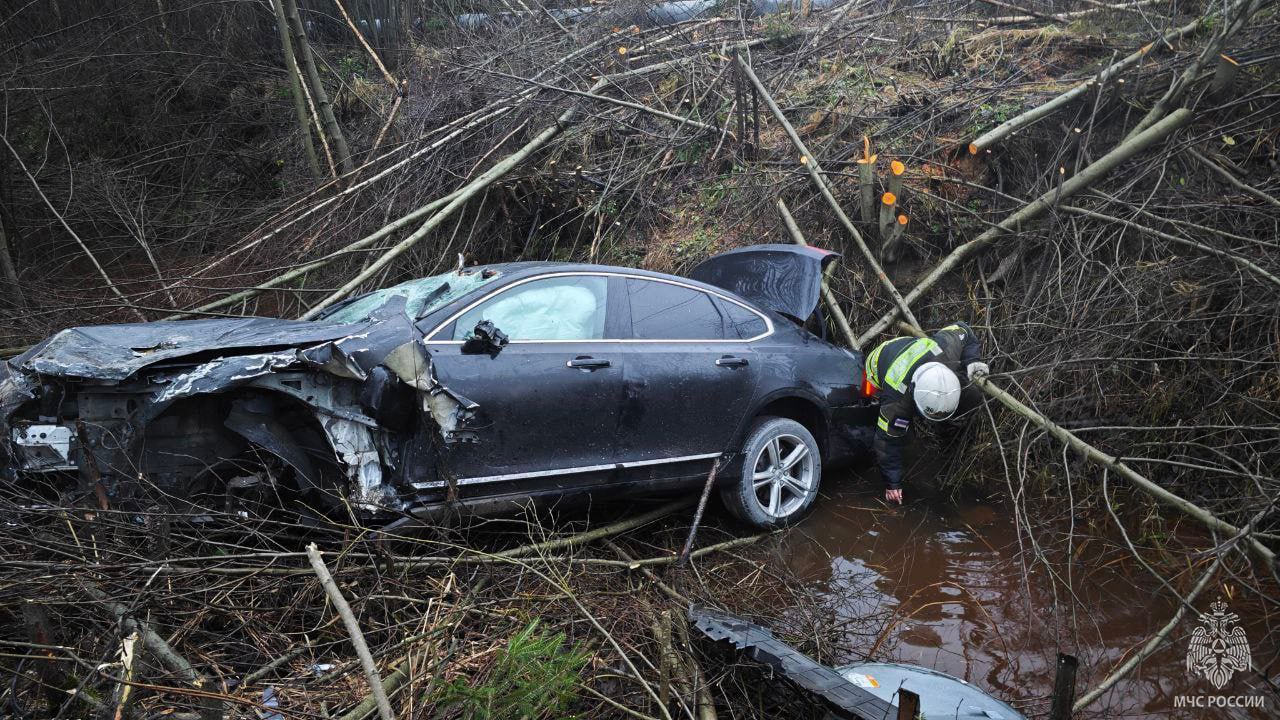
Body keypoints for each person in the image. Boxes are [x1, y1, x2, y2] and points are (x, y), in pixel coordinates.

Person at [865, 322, 989, 504]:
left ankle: (949, 428)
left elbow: (965, 330)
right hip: (877, 365)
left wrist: (973, 361)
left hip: (913, 348)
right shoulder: (896, 402)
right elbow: (886, 442)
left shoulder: (947, 349)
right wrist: (893, 484)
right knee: (903, 437)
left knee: (973, 393)